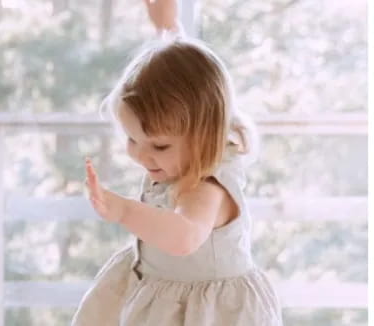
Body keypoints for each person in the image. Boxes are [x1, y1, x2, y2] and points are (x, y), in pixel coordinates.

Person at [71, 0, 283, 324]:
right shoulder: (185, 151)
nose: (142, 155)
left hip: (207, 313)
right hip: (161, 294)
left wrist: (125, 210)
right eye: (131, 140)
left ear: (206, 133)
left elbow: (184, 238)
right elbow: (191, 83)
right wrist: (168, 29)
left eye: (159, 145)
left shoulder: (207, 189)